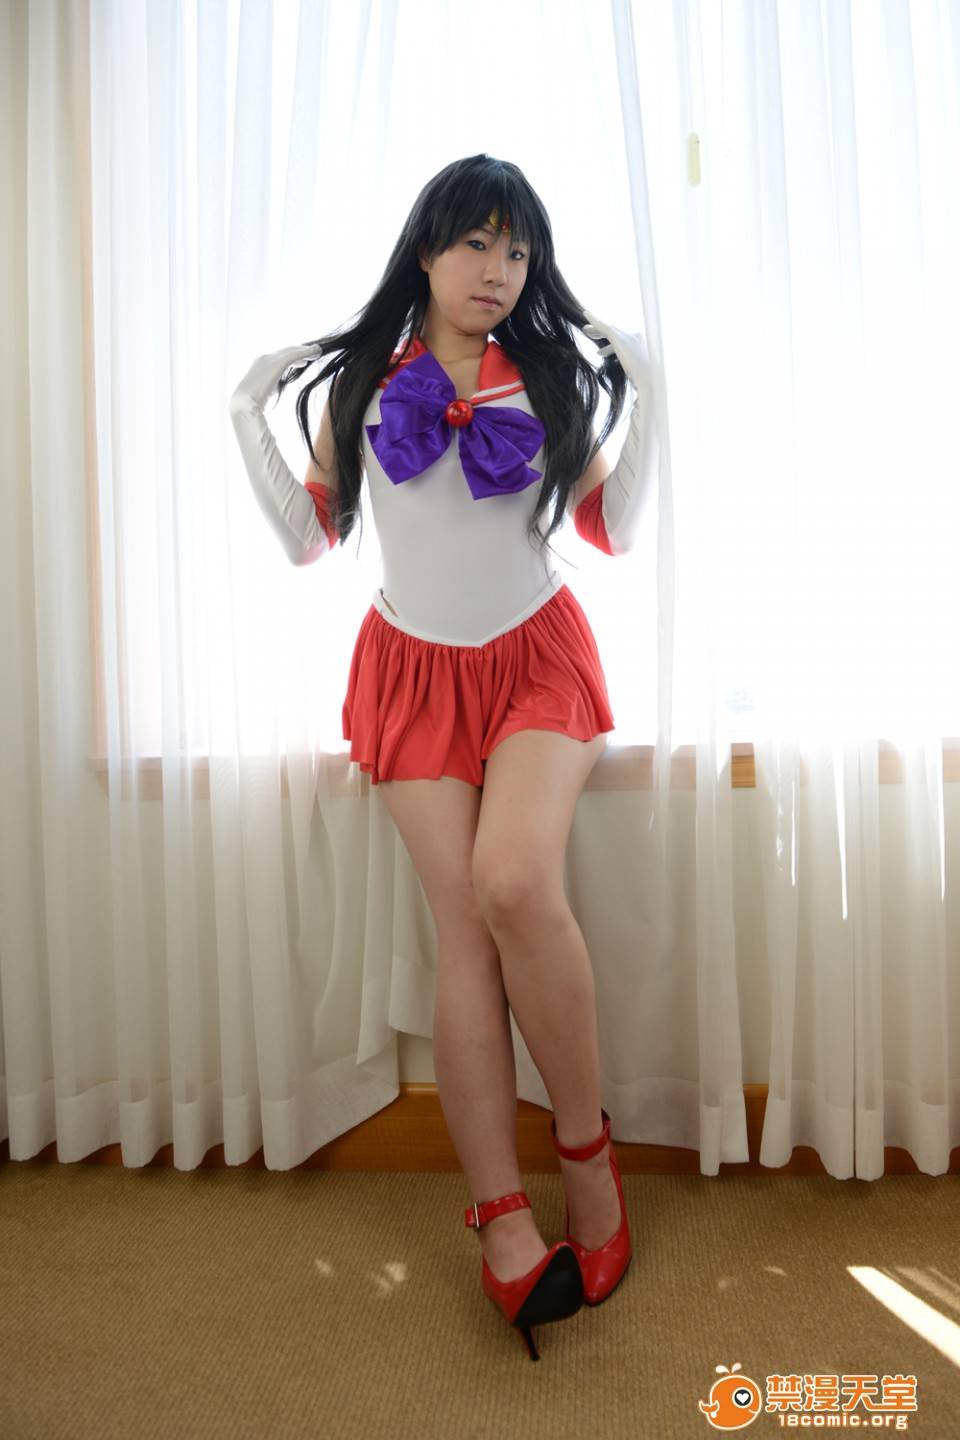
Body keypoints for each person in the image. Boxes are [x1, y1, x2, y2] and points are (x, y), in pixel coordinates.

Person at [229, 154, 658, 1361]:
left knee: (513, 881)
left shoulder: (549, 376)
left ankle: (588, 1158)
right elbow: (310, 540)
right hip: (413, 670)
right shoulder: (368, 382)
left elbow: (612, 531)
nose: (498, 270)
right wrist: (246, 412)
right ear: (426, 248)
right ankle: (502, 1219)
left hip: (535, 658)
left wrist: (653, 397)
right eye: (476, 243)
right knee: (463, 930)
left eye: (517, 251)